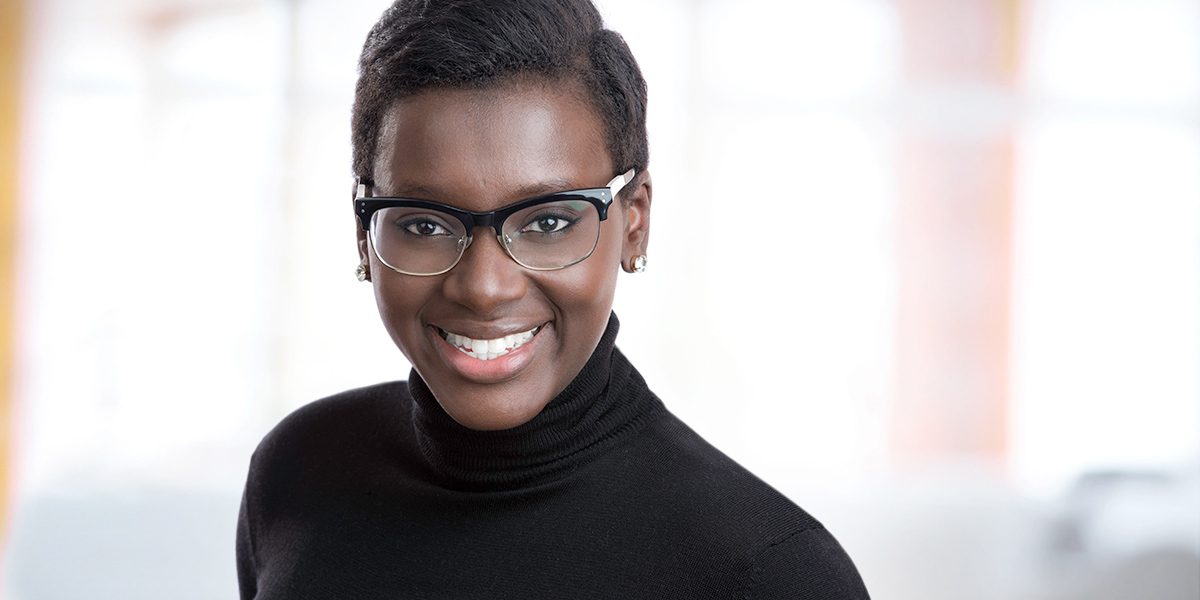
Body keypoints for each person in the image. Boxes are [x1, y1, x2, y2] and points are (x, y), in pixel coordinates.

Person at [236, 0, 870, 598]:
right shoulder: (299, 475)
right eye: (425, 224)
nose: (485, 287)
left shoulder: (767, 572)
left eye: (547, 223)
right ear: (363, 232)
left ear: (634, 220)